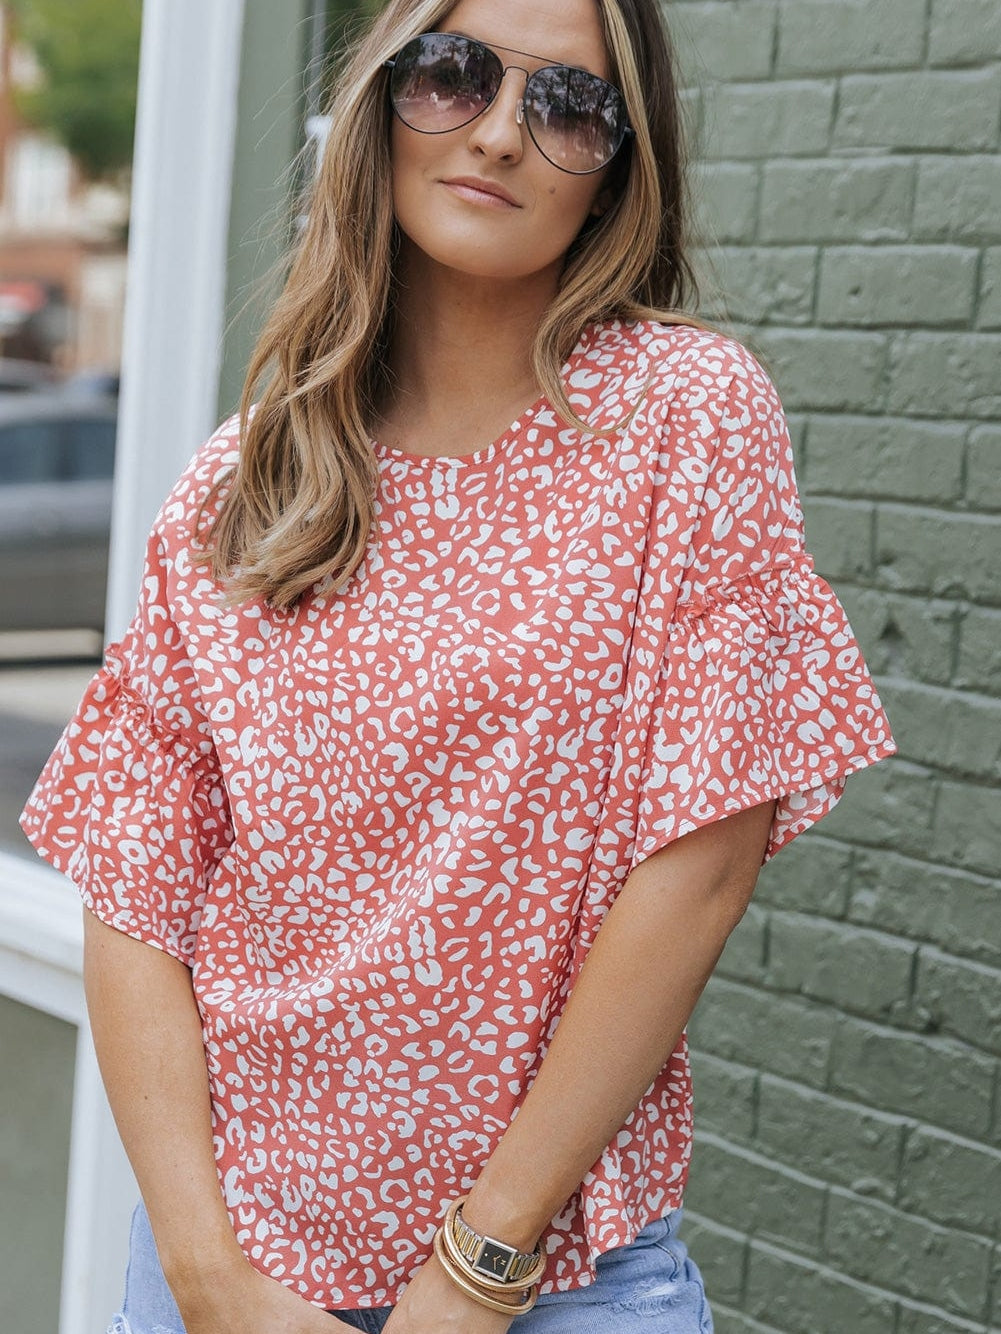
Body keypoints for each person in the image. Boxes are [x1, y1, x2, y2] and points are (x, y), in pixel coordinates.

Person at [21, 0, 896, 1330]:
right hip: (231, 1265)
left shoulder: (685, 419)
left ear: (620, 166)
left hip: (551, 1282)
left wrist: (482, 1262)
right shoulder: (247, 478)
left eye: (569, 105)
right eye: (452, 73)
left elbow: (702, 860)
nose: (497, 133)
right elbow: (139, 883)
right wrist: (206, 1275)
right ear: (381, 99)